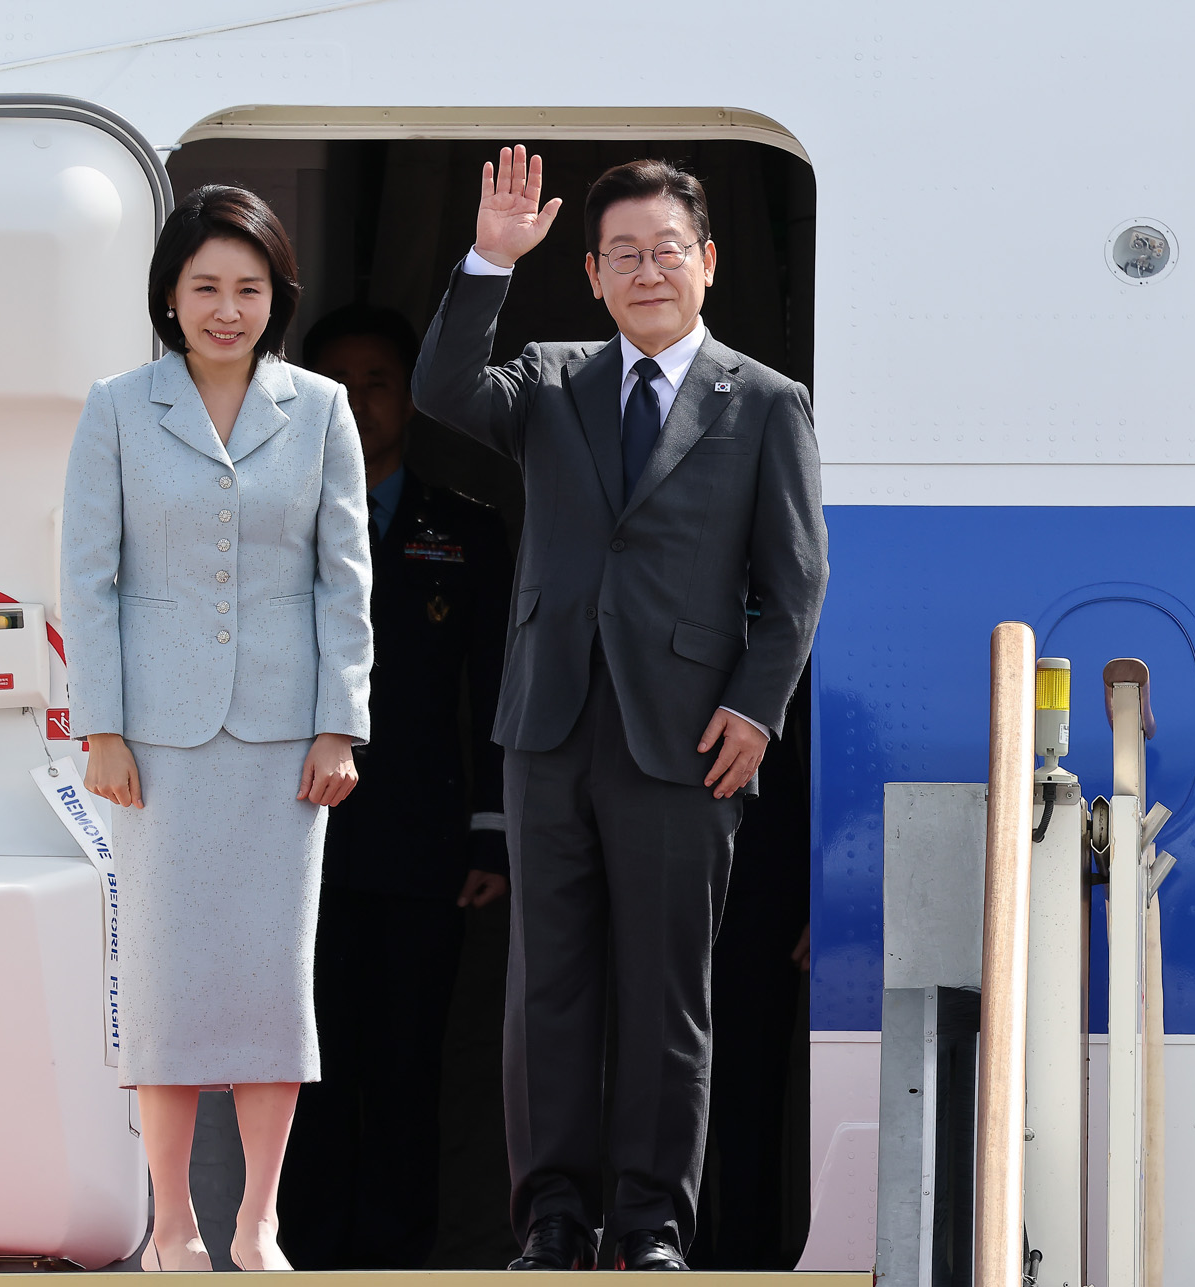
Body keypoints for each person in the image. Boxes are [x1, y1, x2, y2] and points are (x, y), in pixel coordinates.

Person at [411, 148, 830, 1271]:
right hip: (547, 726)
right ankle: (551, 1219)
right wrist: (488, 265)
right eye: (621, 255)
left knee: (664, 997)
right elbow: (441, 392)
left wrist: (755, 713)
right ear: (591, 275)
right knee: (544, 991)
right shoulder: (549, 378)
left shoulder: (763, 402)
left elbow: (795, 589)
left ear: (706, 263)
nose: (646, 271)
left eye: (665, 251)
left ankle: (648, 1225)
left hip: (686, 740)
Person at [61, 185, 372, 1273]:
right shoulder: (115, 406)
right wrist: (98, 725)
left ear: (275, 295)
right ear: (170, 296)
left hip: (286, 741)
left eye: (247, 288)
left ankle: (258, 1221)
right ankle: (173, 1224)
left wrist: (340, 724)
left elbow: (345, 583)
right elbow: (88, 579)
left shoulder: (322, 408)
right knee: (164, 974)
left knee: (270, 977)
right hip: (154, 739)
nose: (225, 308)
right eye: (205, 287)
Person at [278, 304, 515, 1268]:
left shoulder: (467, 529)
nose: (361, 402)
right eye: (340, 382)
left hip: (424, 846)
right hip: (291, 842)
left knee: (408, 1066)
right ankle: (306, 1251)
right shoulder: (266, 519)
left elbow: (500, 684)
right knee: (304, 1066)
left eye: (380, 381)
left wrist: (491, 829)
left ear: (412, 397)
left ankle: (397, 1258)